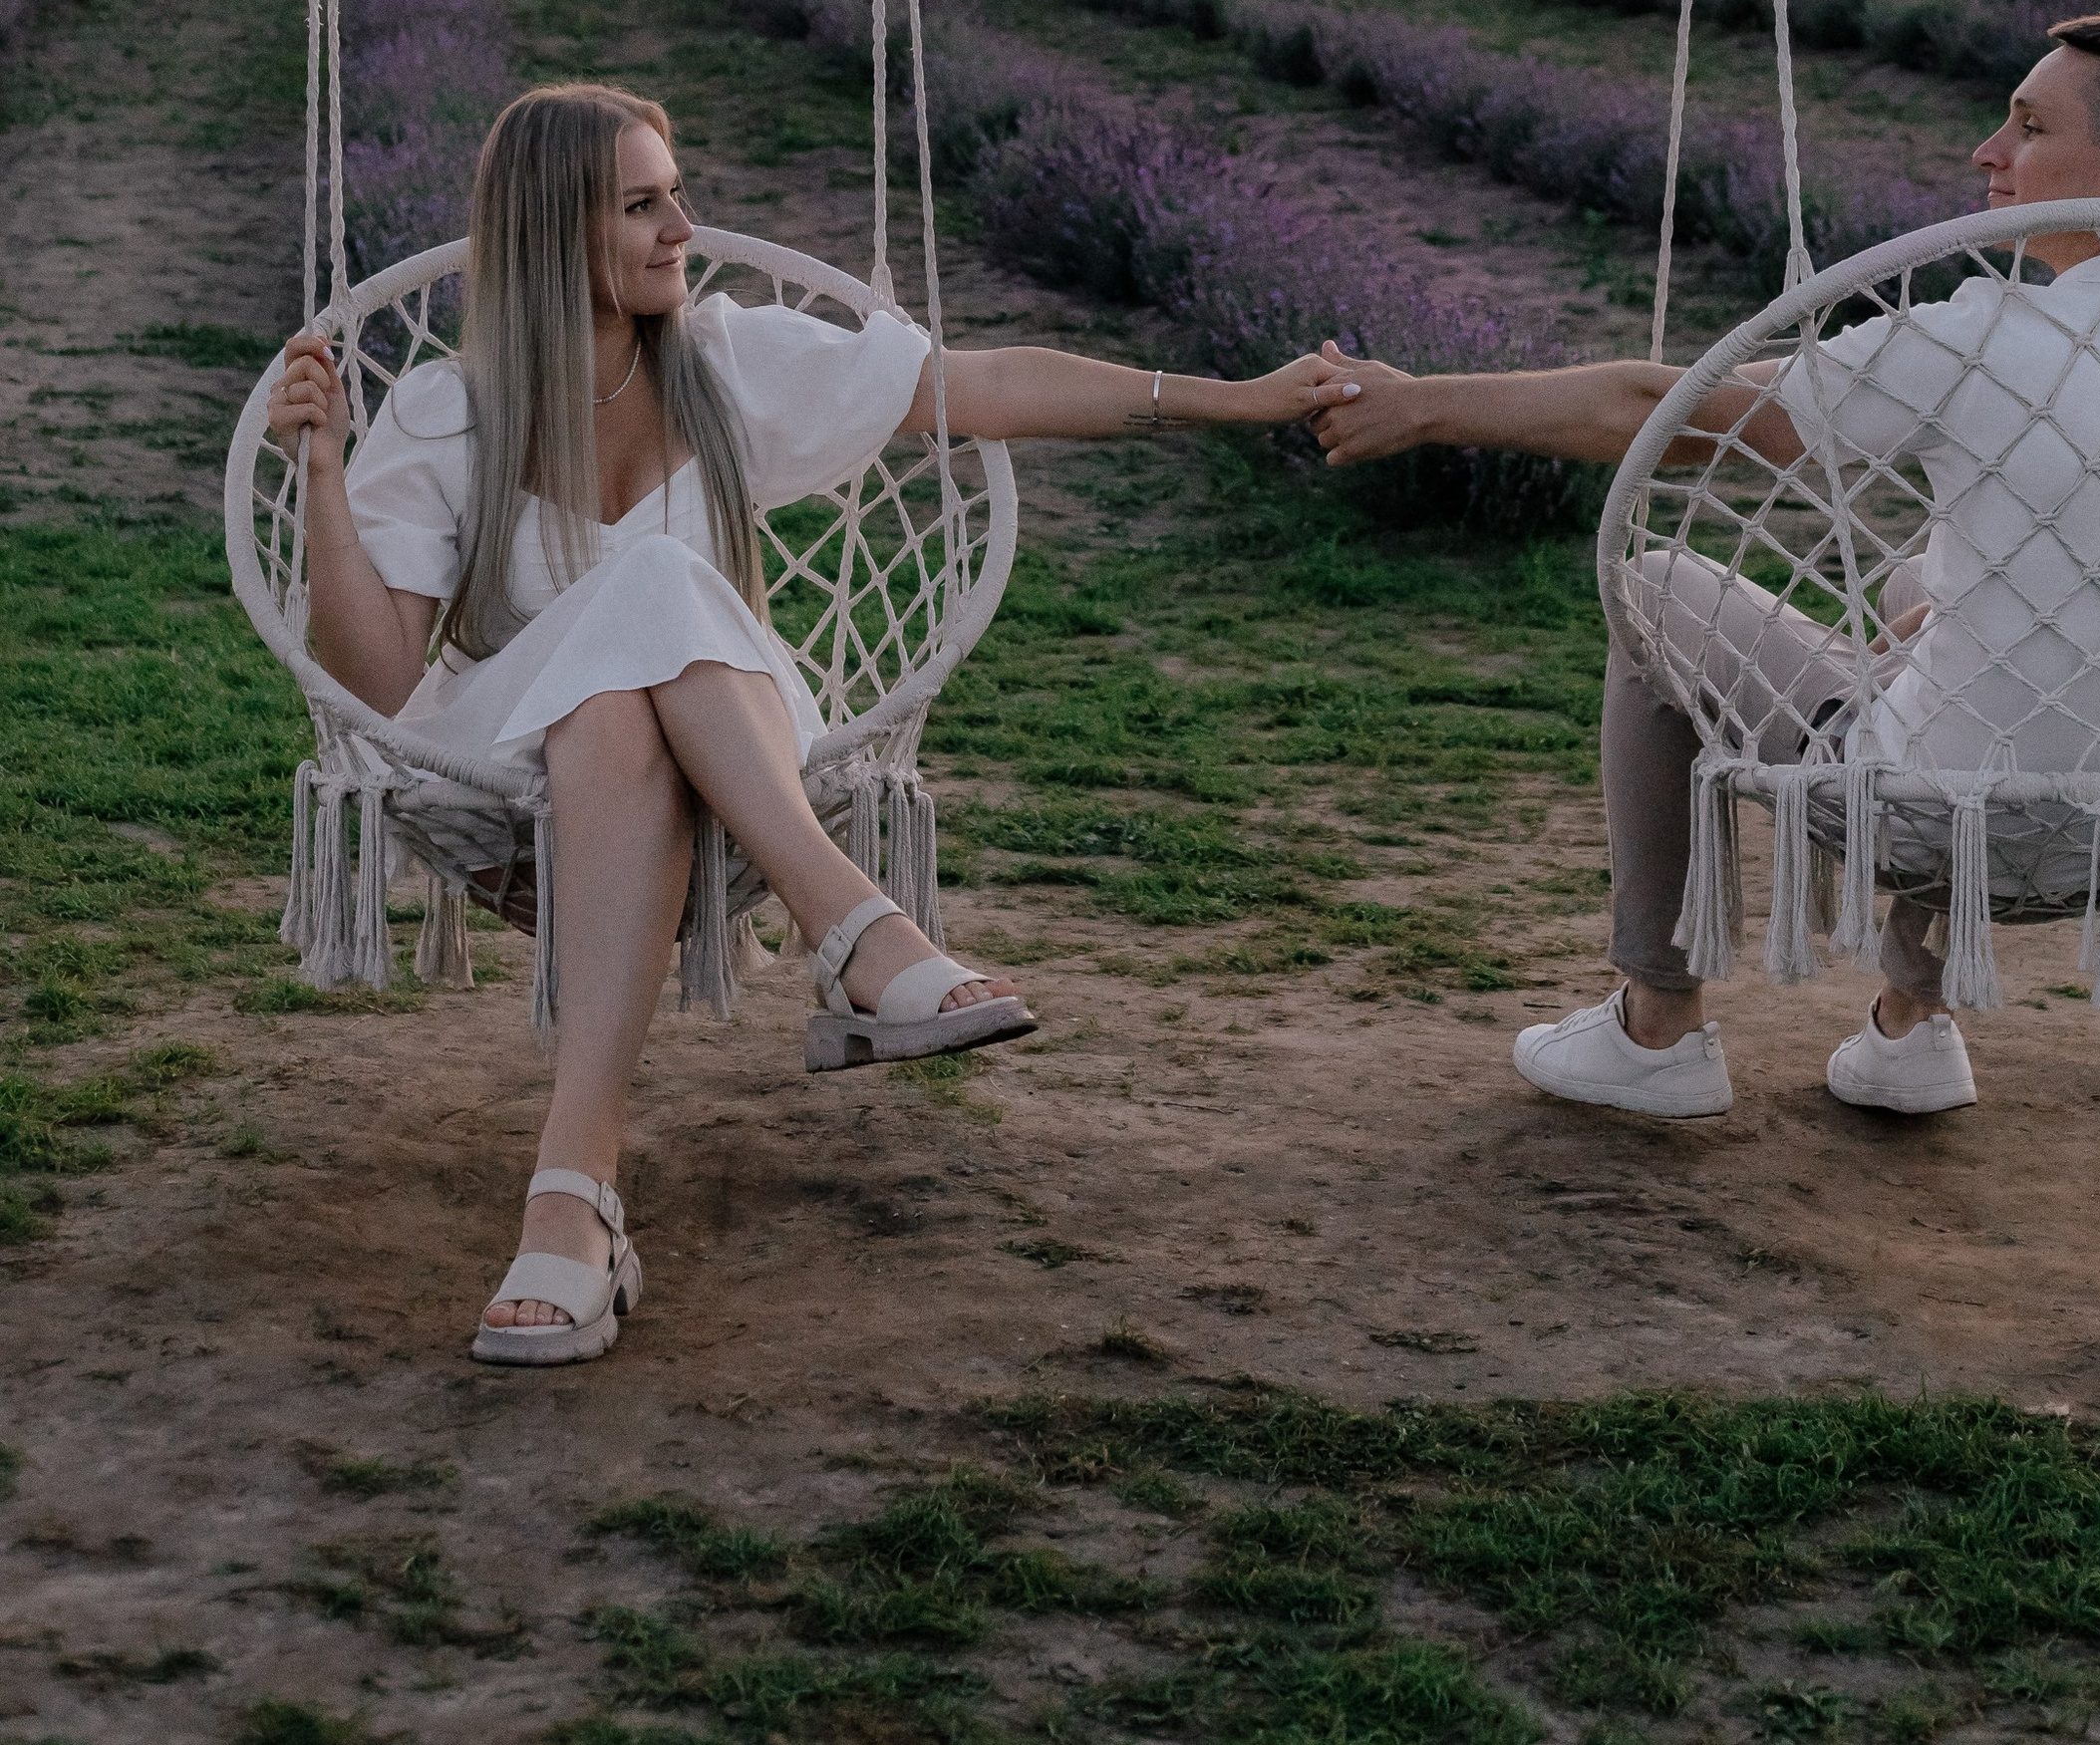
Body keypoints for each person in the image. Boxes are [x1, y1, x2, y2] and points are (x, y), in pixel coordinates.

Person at [269, 80, 1332, 1368]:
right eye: (644, 202)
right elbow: (379, 683)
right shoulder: (448, 412)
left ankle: (572, 1197)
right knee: (630, 632)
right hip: (509, 759)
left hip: (731, 739)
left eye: (678, 190)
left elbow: (983, 384)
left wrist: (1235, 397)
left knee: (640, 660)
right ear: (558, 229)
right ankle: (858, 926)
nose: (684, 225)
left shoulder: (723, 357)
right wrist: (323, 472)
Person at [1306, 13, 2100, 1125]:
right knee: (1918, 590)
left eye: (2028, 126)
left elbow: (1660, 411)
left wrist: (1422, 403)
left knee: (1656, 582)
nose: (1987, 152)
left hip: (1942, 808)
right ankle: (1909, 1025)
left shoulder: (1982, 332)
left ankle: (1656, 1022)